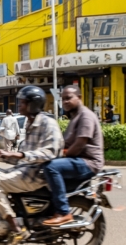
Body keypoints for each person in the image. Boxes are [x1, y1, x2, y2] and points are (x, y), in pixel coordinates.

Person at [0, 85, 63, 245]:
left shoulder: (48, 123)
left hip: (36, 174)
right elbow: (23, 152)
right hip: (25, 169)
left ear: (33, 104)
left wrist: (19, 155)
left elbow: (51, 152)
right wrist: (0, 155)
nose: (20, 106)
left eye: (23, 103)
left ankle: (17, 230)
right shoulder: (30, 122)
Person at [42, 86, 105, 226]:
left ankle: (64, 213)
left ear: (80, 98)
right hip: (78, 160)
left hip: (89, 162)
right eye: (63, 99)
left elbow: (79, 144)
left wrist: (62, 154)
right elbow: (66, 143)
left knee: (52, 168)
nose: (65, 101)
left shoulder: (85, 116)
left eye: (69, 98)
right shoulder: (75, 117)